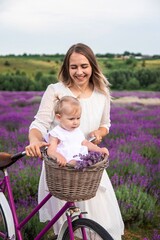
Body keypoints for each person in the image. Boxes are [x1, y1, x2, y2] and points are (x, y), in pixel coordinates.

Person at [25, 43, 124, 239]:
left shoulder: (101, 94)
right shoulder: (56, 90)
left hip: (89, 169)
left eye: (84, 66)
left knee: (102, 222)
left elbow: (106, 123)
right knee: (70, 228)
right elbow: (39, 124)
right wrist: (35, 141)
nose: (79, 72)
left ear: (92, 66)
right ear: (67, 68)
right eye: (74, 67)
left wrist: (100, 132)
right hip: (62, 169)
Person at [46, 95, 109, 166]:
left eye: (78, 118)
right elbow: (51, 151)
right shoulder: (56, 133)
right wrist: (58, 156)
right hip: (66, 162)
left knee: (92, 161)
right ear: (59, 117)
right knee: (73, 163)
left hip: (81, 158)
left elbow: (85, 143)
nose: (75, 122)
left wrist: (99, 150)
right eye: (71, 119)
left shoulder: (77, 131)